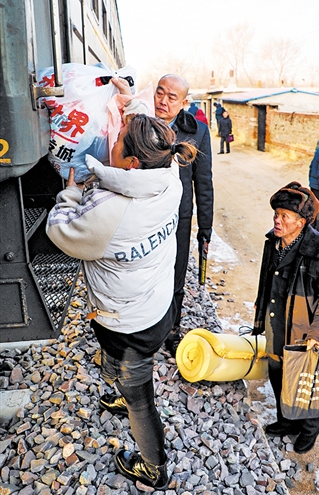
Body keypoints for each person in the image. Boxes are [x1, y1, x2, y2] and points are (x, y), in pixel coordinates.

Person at [46, 115, 197, 490]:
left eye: (119, 140)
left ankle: (154, 469)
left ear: (132, 162)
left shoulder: (110, 211)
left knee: (140, 398)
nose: (112, 141)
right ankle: (118, 394)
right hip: (156, 306)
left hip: (127, 322)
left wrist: (69, 192)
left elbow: (59, 230)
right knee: (113, 362)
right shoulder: (169, 178)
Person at [252, 182, 319, 454]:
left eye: (284, 216)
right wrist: (259, 317)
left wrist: (316, 335)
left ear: (301, 222)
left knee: (303, 384)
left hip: (302, 334)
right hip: (276, 324)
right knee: (277, 376)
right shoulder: (273, 243)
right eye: (276, 214)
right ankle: (287, 420)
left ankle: (309, 427)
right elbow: (265, 283)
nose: (277, 220)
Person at [154, 74, 214, 355]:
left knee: (176, 271)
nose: (163, 101)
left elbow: (203, 182)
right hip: (145, 212)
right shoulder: (138, 120)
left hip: (179, 216)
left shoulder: (197, 131)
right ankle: (146, 327)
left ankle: (172, 329)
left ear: (184, 103)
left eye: (171, 97)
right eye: (159, 93)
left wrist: (205, 228)